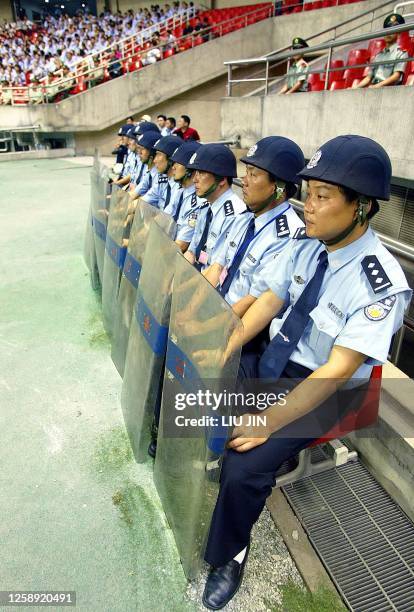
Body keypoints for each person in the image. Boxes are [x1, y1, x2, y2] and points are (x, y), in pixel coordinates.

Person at [200, 135, 412, 610]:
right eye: (307, 192)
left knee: (245, 465)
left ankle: (228, 555)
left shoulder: (380, 282)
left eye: (322, 196)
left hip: (328, 388)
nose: (308, 206)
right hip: (280, 358)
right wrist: (226, 347)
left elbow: (337, 371)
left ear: (360, 208)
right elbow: (270, 301)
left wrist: (268, 421)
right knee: (206, 391)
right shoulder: (305, 245)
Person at [203, 136, 305, 318]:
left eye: (253, 174)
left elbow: (254, 301)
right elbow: (218, 267)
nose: (244, 181)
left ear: (278, 187)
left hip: (239, 327)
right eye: (246, 172)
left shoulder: (288, 236)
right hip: (216, 307)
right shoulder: (244, 219)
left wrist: (207, 327)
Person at [184, 144, 246, 271]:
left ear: (222, 179)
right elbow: (192, 251)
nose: (195, 179)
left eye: (201, 173)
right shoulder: (206, 206)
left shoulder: (234, 215)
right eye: (195, 172)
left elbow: (216, 270)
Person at [354, 13, 408, 89]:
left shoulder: (401, 53)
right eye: (386, 30)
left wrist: (376, 86)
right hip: (374, 88)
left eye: (392, 30)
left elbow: (396, 76)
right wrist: (356, 87)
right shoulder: (378, 55)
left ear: (398, 33)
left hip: (388, 90)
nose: (388, 33)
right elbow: (369, 77)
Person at [140, 135, 181, 211]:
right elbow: (143, 201)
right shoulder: (162, 181)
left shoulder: (179, 188)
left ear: (171, 158)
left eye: (159, 155)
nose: (155, 160)